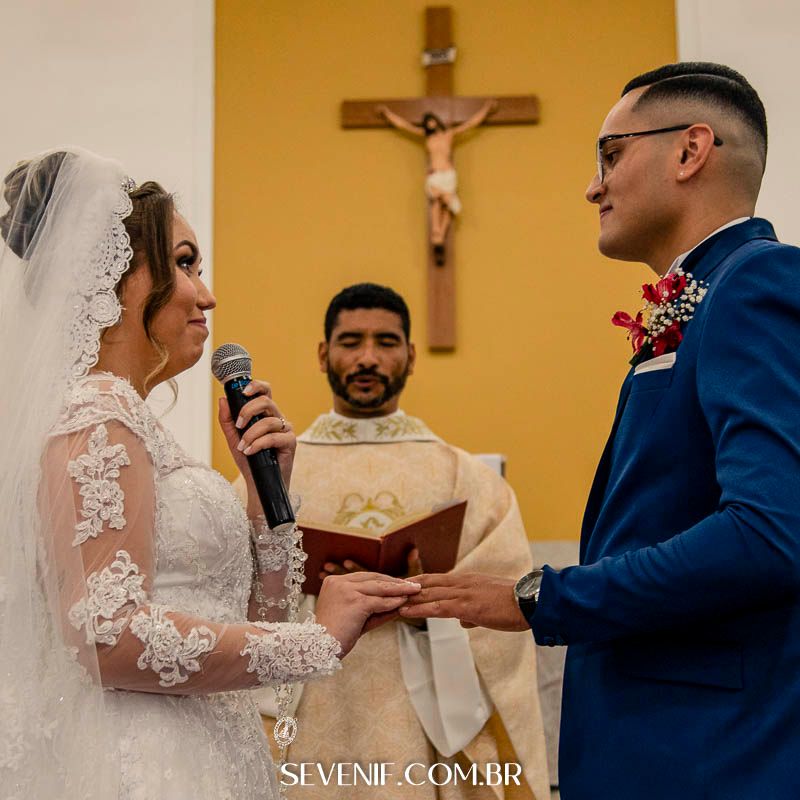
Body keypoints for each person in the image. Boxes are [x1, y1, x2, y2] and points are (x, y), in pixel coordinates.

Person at [400, 63, 800, 799]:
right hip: (659, 742)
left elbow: (769, 534)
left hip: (708, 754)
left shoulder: (755, 284)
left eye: (610, 155)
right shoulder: (706, 294)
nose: (593, 185)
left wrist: (542, 598)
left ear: (690, 151)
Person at [0, 148, 421, 799]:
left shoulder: (131, 421)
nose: (208, 294)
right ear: (116, 279)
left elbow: (243, 613)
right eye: (186, 264)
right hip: (139, 762)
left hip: (205, 747)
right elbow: (106, 637)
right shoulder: (94, 412)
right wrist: (314, 643)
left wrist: (262, 501)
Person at [250, 283, 549, 799]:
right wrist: (314, 594)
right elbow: (237, 598)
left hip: (424, 723)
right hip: (310, 713)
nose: (368, 357)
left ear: (411, 355)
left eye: (387, 342)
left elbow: (505, 612)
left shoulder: (464, 478)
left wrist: (427, 595)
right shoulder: (272, 474)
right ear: (323, 354)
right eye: (350, 341)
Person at [378, 101, 496, 264]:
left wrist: (486, 110)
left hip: (448, 174)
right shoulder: (425, 136)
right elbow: (404, 125)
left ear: (436, 120)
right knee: (437, 200)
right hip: (435, 176)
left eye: (431, 120)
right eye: (426, 122)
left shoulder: (449, 135)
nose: (430, 123)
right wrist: (387, 114)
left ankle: (439, 236)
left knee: (446, 206)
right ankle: (436, 231)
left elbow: (470, 124)